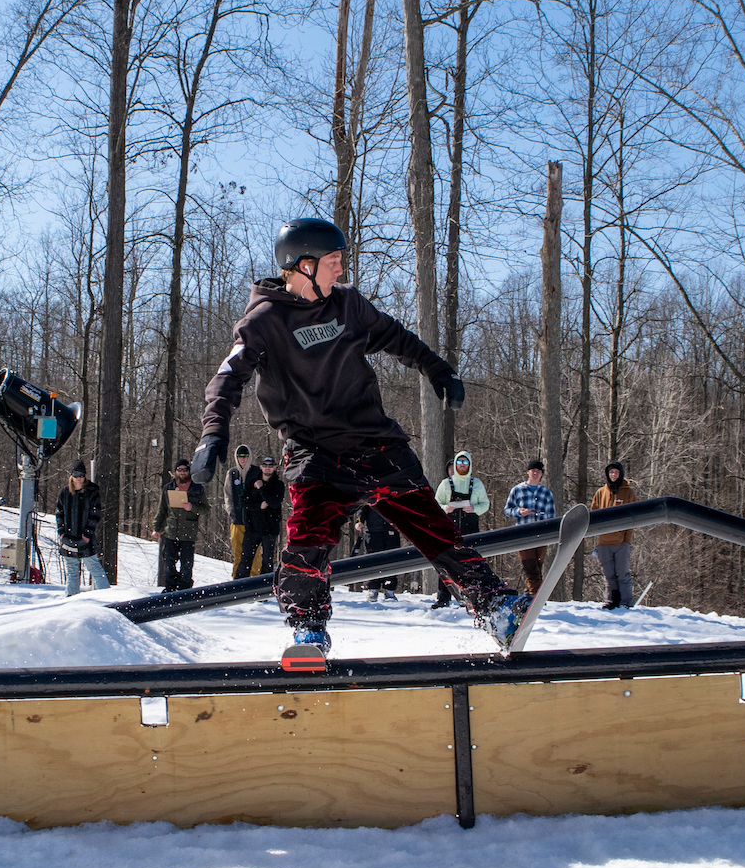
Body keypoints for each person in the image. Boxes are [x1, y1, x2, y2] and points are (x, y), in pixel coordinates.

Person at [189, 216, 528, 655]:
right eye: (333, 261)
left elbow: (394, 336)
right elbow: (227, 378)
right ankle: (308, 628)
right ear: (302, 264)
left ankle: (497, 607)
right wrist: (213, 433)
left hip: (376, 443)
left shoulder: (348, 304)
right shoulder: (263, 322)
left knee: (434, 527)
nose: (341, 270)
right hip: (316, 452)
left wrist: (436, 367)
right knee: (306, 539)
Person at [431, 450, 489, 609]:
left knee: (471, 564)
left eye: (465, 463)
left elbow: (485, 504)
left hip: (470, 529)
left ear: (469, 465)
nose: (462, 465)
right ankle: (443, 597)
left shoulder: (476, 484)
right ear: (455, 464)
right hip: (449, 528)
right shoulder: (445, 484)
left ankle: (473, 598)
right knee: (445, 563)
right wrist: (445, 508)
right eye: (459, 462)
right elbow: (435, 505)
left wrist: (474, 509)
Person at [54, 459, 108, 597]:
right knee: (72, 571)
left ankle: (107, 596)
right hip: (68, 537)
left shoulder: (92, 491)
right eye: (76, 475)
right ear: (71, 476)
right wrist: (61, 533)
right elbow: (59, 514)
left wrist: (87, 534)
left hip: (85, 538)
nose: (79, 479)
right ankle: (71, 598)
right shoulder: (65, 493)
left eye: (82, 475)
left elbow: (95, 514)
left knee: (94, 567)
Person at [152, 458, 208, 592]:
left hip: (188, 533)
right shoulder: (169, 488)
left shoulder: (197, 488)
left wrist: (192, 507)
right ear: (175, 472)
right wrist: (156, 528)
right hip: (171, 531)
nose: (182, 472)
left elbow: (206, 508)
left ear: (189, 471)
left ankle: (184, 588)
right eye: (179, 470)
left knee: (187, 564)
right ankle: (170, 588)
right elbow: (162, 510)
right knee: (169, 563)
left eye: (185, 470)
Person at [503, 459, 557, 595]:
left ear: (541, 474)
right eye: (533, 470)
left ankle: (529, 594)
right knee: (530, 567)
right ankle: (536, 595)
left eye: (538, 471)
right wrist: (519, 512)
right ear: (528, 472)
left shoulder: (546, 493)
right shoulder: (517, 490)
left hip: (541, 534)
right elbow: (507, 510)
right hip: (523, 534)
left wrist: (545, 525)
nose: (535, 473)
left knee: (537, 567)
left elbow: (551, 515)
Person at [590, 459, 638, 608]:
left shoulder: (628, 493)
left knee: (623, 574)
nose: (613, 475)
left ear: (621, 474)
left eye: (616, 472)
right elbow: (593, 515)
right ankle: (612, 600)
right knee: (609, 574)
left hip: (621, 542)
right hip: (604, 542)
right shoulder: (600, 492)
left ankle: (626, 602)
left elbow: (634, 517)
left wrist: (626, 540)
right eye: (611, 472)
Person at [235, 455, 284, 579]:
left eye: (270, 465)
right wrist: (258, 506)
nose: (268, 468)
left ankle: (264, 592)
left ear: (275, 467)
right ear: (261, 467)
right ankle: (238, 590)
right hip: (252, 528)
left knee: (267, 563)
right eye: (265, 465)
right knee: (245, 561)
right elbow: (243, 502)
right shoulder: (251, 483)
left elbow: (274, 503)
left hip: (270, 530)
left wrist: (261, 489)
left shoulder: (278, 485)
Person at [226, 444, 262, 575]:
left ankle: (255, 584)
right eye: (240, 456)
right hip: (237, 521)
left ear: (249, 457)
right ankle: (236, 583)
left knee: (255, 555)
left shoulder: (257, 472)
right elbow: (227, 494)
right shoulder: (232, 473)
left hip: (253, 524)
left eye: (245, 456)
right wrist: (231, 511)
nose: (243, 459)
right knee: (238, 554)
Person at [359, 502, 402, 600]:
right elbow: (362, 505)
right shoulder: (370, 488)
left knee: (392, 559)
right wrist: (360, 520)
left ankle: (389, 590)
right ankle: (373, 589)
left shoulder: (395, 490)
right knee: (373, 560)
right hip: (373, 531)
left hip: (391, 529)